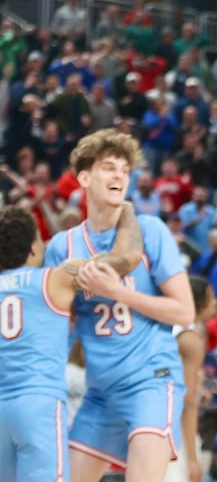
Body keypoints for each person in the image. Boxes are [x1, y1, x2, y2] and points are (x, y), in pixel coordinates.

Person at [43, 129, 196, 482]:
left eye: (124, 170)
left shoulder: (151, 231)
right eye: (109, 168)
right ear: (84, 177)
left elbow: (184, 311)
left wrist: (120, 292)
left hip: (151, 382)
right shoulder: (62, 247)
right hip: (100, 392)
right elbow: (60, 325)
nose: (119, 177)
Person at [0, 204, 143, 482]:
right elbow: (127, 257)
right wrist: (127, 215)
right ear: (33, 248)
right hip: (37, 401)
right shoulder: (56, 278)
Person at [165, 275, 217, 482]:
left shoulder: (169, 328)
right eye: (211, 297)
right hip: (173, 429)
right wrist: (193, 460)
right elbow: (188, 403)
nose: (215, 302)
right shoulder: (190, 339)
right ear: (199, 302)